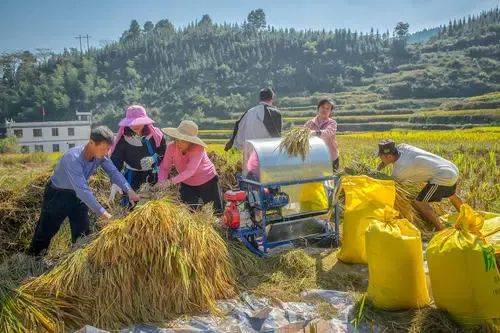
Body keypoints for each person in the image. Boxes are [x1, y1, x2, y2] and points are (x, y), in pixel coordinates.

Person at [28, 126, 140, 256]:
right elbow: (83, 191)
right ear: (91, 142)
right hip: (58, 195)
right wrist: (105, 215)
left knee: (82, 232)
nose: (106, 152)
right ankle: (33, 259)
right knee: (46, 230)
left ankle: (78, 261)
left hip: (78, 195)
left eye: (108, 149)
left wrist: (129, 190)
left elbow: (113, 172)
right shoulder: (73, 158)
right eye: (103, 148)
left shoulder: (101, 155)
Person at [377, 139, 464, 230]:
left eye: (381, 157)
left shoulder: (400, 171)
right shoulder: (402, 146)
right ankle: (468, 217)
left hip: (443, 176)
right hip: (450, 168)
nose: (380, 159)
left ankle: (441, 229)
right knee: (451, 194)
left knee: (420, 202)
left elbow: (392, 184)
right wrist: (383, 163)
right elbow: (394, 157)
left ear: (389, 156)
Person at [155, 120, 223, 214]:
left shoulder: (198, 148)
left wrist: (169, 182)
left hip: (207, 180)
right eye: (177, 139)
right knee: (189, 212)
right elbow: (165, 167)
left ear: (191, 142)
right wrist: (161, 182)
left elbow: (190, 171)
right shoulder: (171, 147)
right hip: (187, 182)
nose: (178, 143)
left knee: (216, 212)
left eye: (183, 141)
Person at [109, 105, 167, 205]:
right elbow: (116, 161)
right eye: (131, 123)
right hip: (131, 176)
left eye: (139, 122)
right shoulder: (123, 139)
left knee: (153, 206)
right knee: (130, 206)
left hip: (152, 176)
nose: (135, 125)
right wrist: (115, 182)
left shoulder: (156, 136)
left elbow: (163, 153)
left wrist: (154, 159)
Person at [304, 98, 339, 172]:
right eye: (323, 107)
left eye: (327, 109)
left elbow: (328, 132)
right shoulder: (310, 123)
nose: (325, 110)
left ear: (330, 112)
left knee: (331, 180)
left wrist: (314, 133)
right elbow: (303, 133)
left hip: (331, 157)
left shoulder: (332, 123)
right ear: (318, 108)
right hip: (315, 158)